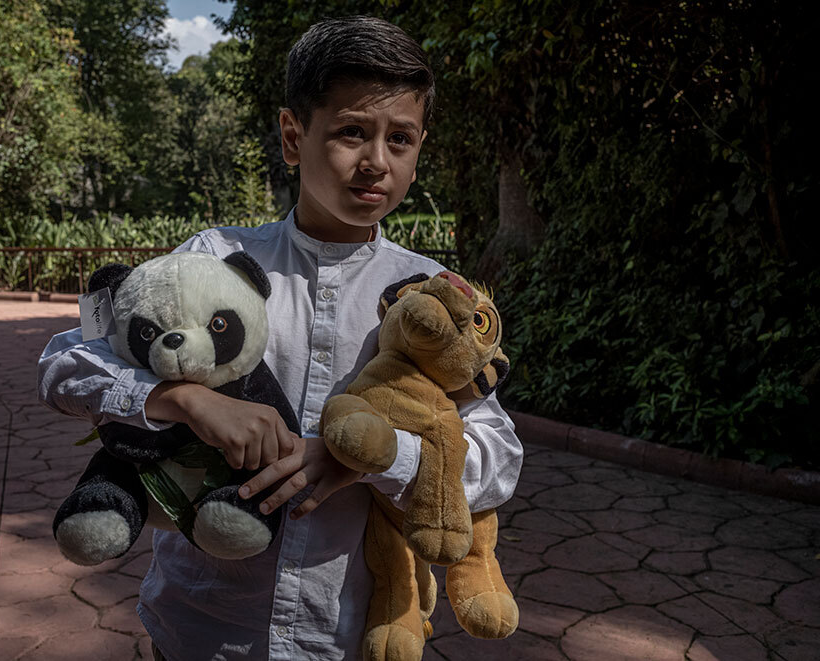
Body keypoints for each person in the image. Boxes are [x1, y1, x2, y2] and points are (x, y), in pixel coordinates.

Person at [38, 16, 523, 661]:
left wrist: (373, 457)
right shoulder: (211, 262)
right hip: (204, 626)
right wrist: (182, 400)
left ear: (419, 148)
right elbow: (64, 364)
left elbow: (497, 458)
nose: (376, 161)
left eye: (400, 139)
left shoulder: (434, 296)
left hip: (350, 633)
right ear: (294, 137)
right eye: (352, 131)